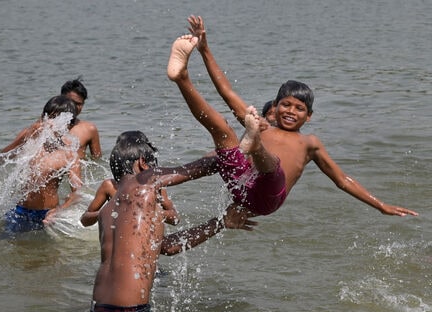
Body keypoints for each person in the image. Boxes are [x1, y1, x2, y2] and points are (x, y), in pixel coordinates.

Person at [167, 15, 418, 218]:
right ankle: (182, 78)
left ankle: (254, 146)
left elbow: (342, 180)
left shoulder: (310, 143)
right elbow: (227, 91)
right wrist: (205, 49)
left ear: (309, 117)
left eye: (299, 109)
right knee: (222, 130)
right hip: (240, 183)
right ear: (275, 107)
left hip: (267, 197)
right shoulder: (265, 124)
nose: (290, 111)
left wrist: (381, 205)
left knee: (270, 165)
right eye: (286, 105)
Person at [89, 131, 254, 312]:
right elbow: (202, 167)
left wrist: (220, 222)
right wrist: (245, 144)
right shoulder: (143, 183)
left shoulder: (108, 209)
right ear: (142, 164)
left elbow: (168, 247)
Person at [2, 95, 83, 233]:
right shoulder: (30, 137)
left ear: (68, 124)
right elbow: (2, 158)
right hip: (19, 210)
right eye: (49, 118)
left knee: (45, 254)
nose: (51, 124)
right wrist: (26, 140)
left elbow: (78, 193)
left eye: (58, 120)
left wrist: (59, 211)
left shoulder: (69, 153)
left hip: (46, 215)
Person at [80, 131, 178, 227]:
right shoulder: (109, 186)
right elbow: (85, 220)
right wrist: (107, 212)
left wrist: (150, 211)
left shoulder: (156, 186)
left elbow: (175, 219)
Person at [61, 77, 102, 160]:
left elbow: (97, 161)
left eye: (79, 104)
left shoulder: (89, 129)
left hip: (78, 171)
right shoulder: (46, 126)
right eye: (72, 102)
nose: (74, 107)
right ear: (61, 99)